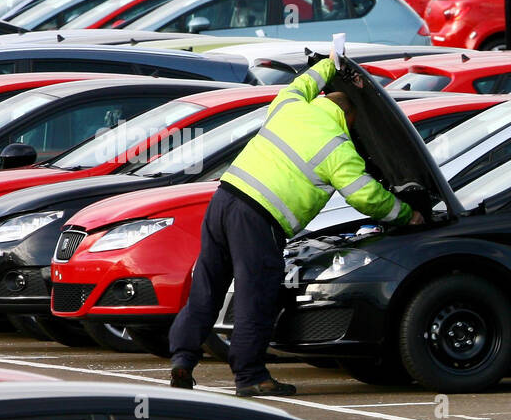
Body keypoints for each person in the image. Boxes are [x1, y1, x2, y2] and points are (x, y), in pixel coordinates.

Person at [168, 53, 421, 396]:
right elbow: (365, 197)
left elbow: (303, 82)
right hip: (258, 217)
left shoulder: (290, 105)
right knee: (255, 295)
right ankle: (251, 377)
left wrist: (331, 63)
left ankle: (182, 359)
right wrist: (407, 214)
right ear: (349, 116)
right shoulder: (338, 145)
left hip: (223, 199)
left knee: (207, 286)